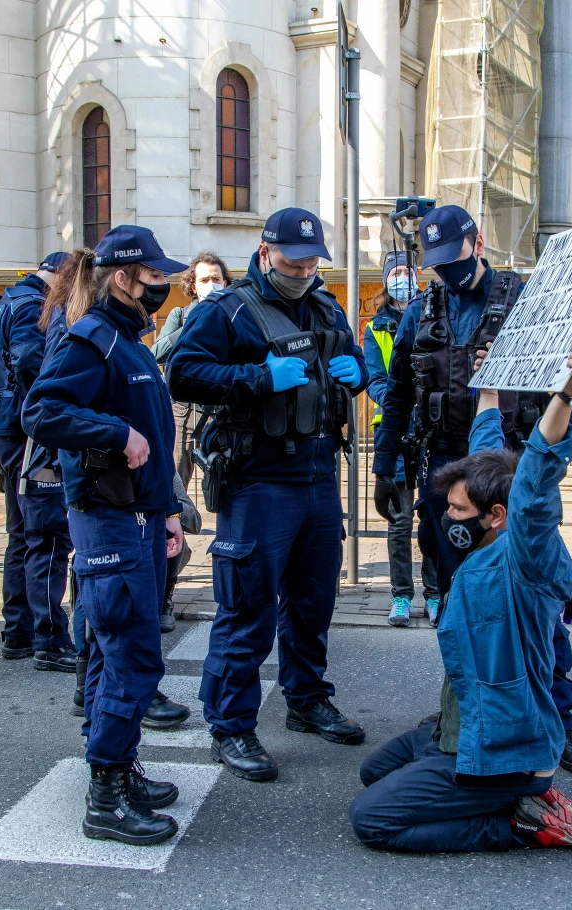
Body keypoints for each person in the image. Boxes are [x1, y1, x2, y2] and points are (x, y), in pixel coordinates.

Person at [349, 331, 572, 853]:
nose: (447, 517)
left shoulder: (526, 556)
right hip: (464, 723)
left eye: (459, 511)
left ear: (498, 518)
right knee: (375, 772)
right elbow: (486, 445)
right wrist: (487, 387)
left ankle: (517, 820)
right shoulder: (488, 528)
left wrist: (567, 393)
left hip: (508, 747)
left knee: (370, 819)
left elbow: (535, 480)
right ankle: (463, 780)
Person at [370, 205, 572, 776]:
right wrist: (385, 467)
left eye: (454, 258)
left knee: (535, 600)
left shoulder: (531, 305)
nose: (445, 272)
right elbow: (398, 396)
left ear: (476, 242)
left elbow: (570, 393)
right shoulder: (419, 314)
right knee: (457, 599)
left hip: (511, 468)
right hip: (446, 472)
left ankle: (558, 723)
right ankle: (467, 710)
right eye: (436, 263)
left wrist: (566, 406)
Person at [166, 206, 369, 782]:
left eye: (311, 262)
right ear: (264, 254)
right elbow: (182, 373)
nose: (303, 270)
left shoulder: (326, 306)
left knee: (312, 604)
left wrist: (355, 370)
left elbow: (349, 360)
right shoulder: (229, 310)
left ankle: (306, 699)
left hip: (318, 476)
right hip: (259, 482)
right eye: (292, 260)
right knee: (247, 610)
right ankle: (231, 726)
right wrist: (256, 378)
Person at [21, 225, 189, 845]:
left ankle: (119, 766)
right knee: (130, 655)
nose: (162, 288)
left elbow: (152, 429)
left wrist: (167, 507)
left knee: (114, 652)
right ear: (122, 279)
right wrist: (116, 436)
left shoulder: (127, 340)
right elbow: (41, 410)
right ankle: (106, 795)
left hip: (137, 516)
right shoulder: (94, 338)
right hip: (109, 519)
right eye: (153, 278)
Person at [0, 251, 76, 670]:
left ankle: (18, 632)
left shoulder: (8, 299)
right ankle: (48, 639)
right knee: (47, 536)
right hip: (28, 433)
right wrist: (52, 402)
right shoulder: (33, 304)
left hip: (8, 428)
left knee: (22, 535)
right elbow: (29, 362)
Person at [153, 250, 231, 633]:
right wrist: (197, 322)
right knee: (173, 504)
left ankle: (235, 587)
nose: (212, 284)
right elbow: (159, 353)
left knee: (231, 501)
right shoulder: (181, 316)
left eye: (217, 278)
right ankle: (166, 590)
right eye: (204, 279)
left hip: (223, 417)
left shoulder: (237, 313)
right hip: (182, 416)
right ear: (192, 286)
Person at [365, 253, 441, 629]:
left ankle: (435, 594)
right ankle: (400, 596)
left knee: (433, 512)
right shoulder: (375, 327)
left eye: (407, 272)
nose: (402, 279)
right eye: (395, 273)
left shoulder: (432, 312)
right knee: (398, 518)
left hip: (429, 429)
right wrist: (398, 398)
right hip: (393, 431)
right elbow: (375, 378)